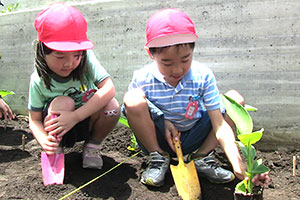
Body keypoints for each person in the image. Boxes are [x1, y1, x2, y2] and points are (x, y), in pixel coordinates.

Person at [123, 8, 270, 187]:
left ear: (193, 50)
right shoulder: (143, 78)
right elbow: (135, 108)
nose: (177, 70)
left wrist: (237, 162)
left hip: (194, 135)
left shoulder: (203, 76)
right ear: (151, 54)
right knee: (132, 99)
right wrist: (163, 119)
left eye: (185, 60)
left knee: (234, 100)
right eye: (167, 63)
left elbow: (220, 125)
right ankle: (157, 158)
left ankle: (201, 158)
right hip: (159, 137)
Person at [28, 3, 120, 170]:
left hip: (83, 120)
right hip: (57, 128)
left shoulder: (86, 58)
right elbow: (34, 120)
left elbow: (109, 88)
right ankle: (56, 150)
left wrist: (75, 117)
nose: (69, 64)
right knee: (64, 102)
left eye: (76, 55)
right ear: (43, 50)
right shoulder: (38, 80)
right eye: (60, 56)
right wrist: (44, 140)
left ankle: (92, 147)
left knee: (112, 107)